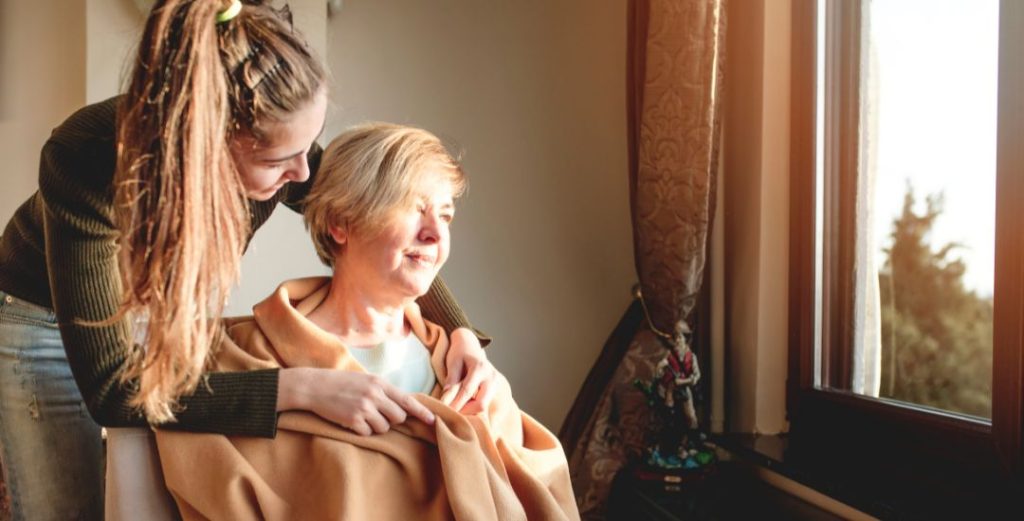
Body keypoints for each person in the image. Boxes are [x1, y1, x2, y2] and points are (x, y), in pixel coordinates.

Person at [0, 1, 491, 519]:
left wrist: (458, 331)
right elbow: (113, 391)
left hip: (157, 317)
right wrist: (304, 388)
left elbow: (366, 219)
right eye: (279, 161)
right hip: (40, 320)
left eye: (308, 146)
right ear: (207, 145)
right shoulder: (87, 157)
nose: (304, 174)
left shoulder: (283, 145)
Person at [155, 123, 579, 520]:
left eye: (445, 215)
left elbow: (540, 490)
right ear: (341, 223)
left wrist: (462, 335)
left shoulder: (467, 374)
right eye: (412, 208)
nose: (435, 234)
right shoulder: (245, 356)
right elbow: (152, 402)